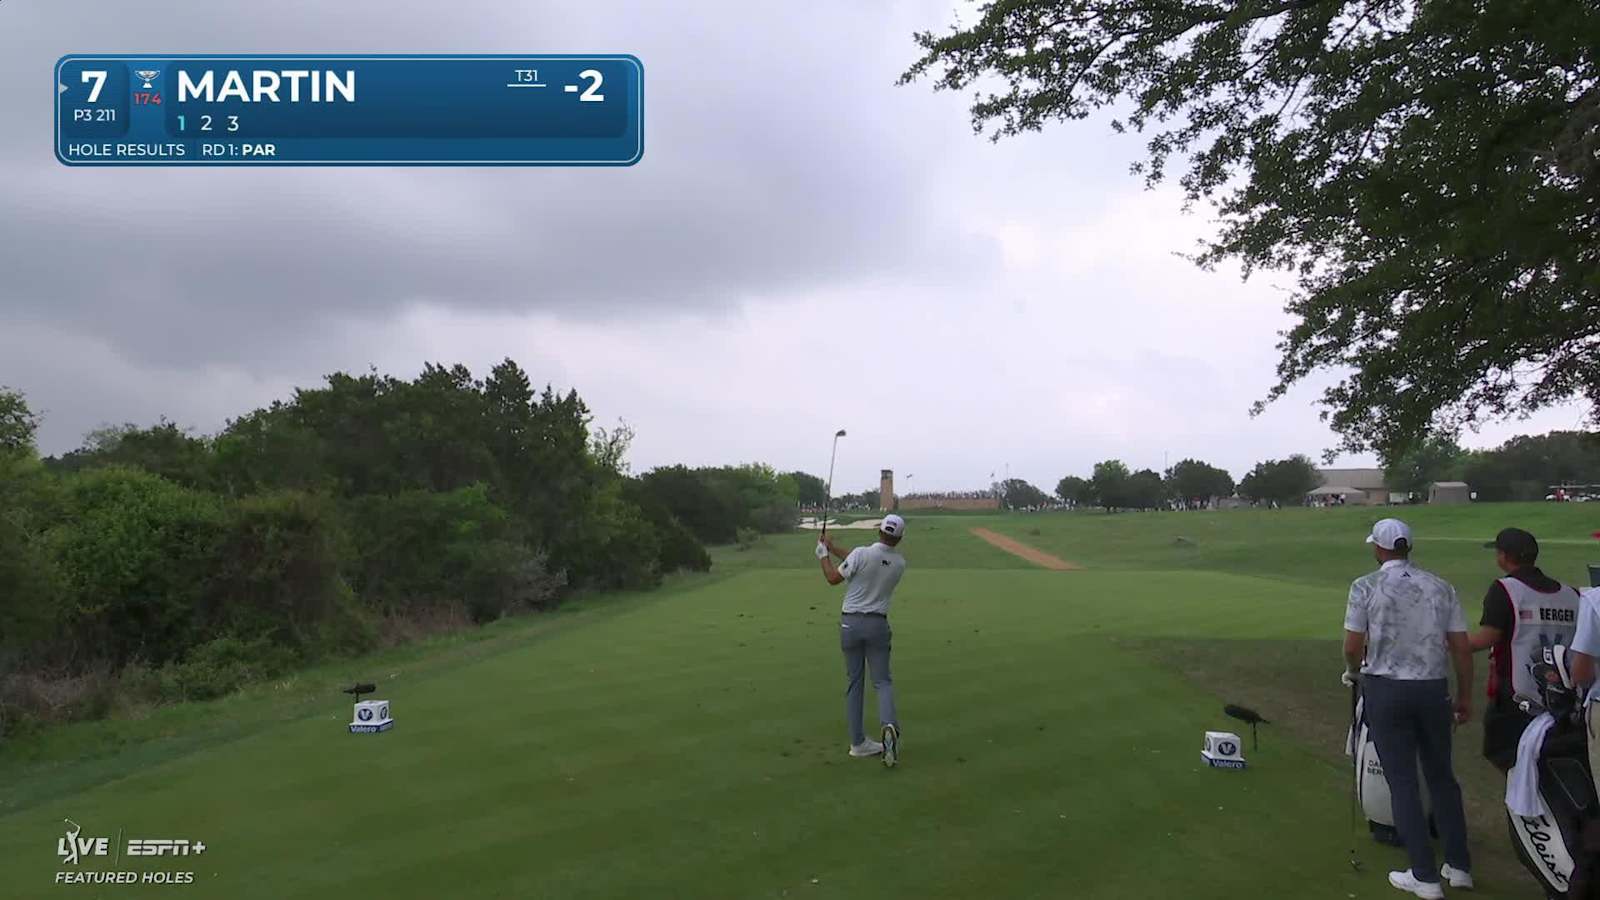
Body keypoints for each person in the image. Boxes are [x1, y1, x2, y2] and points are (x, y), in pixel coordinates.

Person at [1342, 518, 1474, 899]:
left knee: (1402, 782)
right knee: (1441, 777)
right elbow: (1461, 649)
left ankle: (1425, 876)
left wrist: (1354, 674)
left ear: (1378, 548)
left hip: (1387, 689)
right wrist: (1465, 696)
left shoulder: (1365, 586)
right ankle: (1459, 866)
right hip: (1433, 689)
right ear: (1407, 547)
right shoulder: (1440, 586)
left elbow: (1353, 646)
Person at [1469, 527, 1582, 771]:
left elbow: (1486, 638)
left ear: (1504, 556)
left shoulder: (1505, 589)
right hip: (1566, 698)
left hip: (1517, 697)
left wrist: (1447, 644)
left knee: (1510, 759)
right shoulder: (1571, 594)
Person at [816, 514, 907, 766]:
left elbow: (833, 578)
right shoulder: (899, 563)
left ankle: (858, 744)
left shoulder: (861, 554)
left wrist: (823, 555)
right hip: (877, 625)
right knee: (883, 682)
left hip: (850, 624)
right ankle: (889, 727)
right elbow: (865, 562)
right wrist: (833, 547)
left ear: (879, 531)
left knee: (855, 683)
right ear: (898, 539)